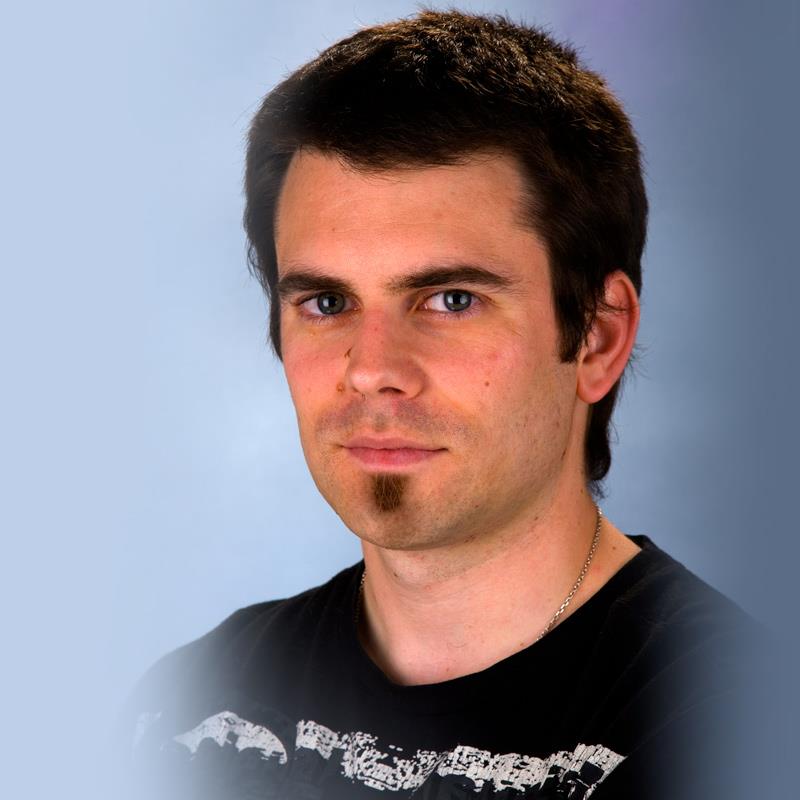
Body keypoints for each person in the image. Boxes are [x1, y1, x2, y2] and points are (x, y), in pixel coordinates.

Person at [120, 10, 760, 799]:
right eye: (327, 303)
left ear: (597, 338)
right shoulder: (189, 708)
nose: (372, 371)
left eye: (451, 299)